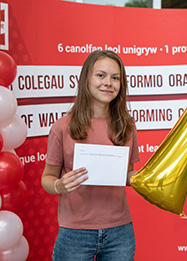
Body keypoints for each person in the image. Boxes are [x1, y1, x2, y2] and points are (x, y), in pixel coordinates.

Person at [41, 50, 140, 261]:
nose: (108, 83)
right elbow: (47, 178)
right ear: (86, 79)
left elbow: (127, 175)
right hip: (74, 232)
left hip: (120, 231)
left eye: (115, 78)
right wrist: (59, 185)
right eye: (101, 75)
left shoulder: (127, 126)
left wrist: (143, 179)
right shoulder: (62, 127)